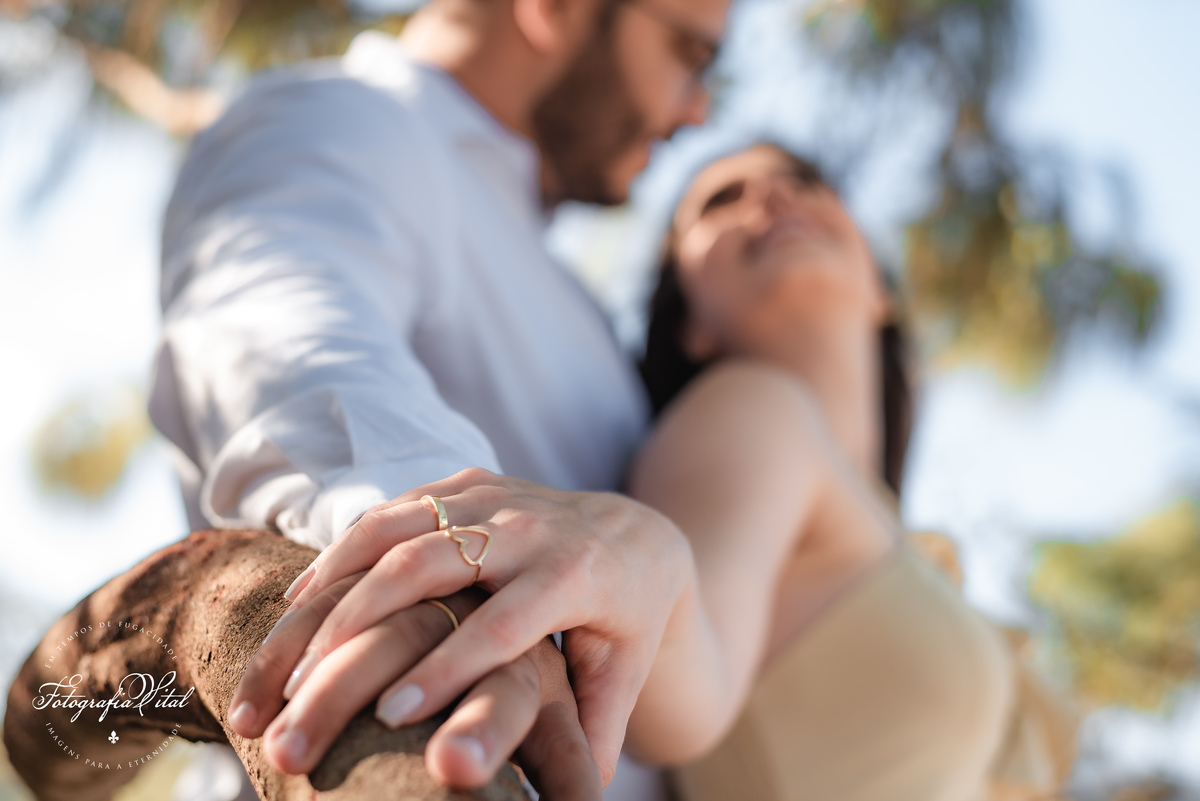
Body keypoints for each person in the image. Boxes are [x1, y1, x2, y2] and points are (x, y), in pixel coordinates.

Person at [149, 0, 731, 791]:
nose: (698, 110)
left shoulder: (578, 307)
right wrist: (447, 559)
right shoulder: (345, 119)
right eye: (690, 54)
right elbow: (283, 329)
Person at [614, 142, 1073, 799]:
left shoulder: (906, 542)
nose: (771, 198)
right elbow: (678, 682)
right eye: (722, 200)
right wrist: (623, 577)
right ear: (691, 327)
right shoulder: (754, 409)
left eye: (801, 180)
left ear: (880, 290)